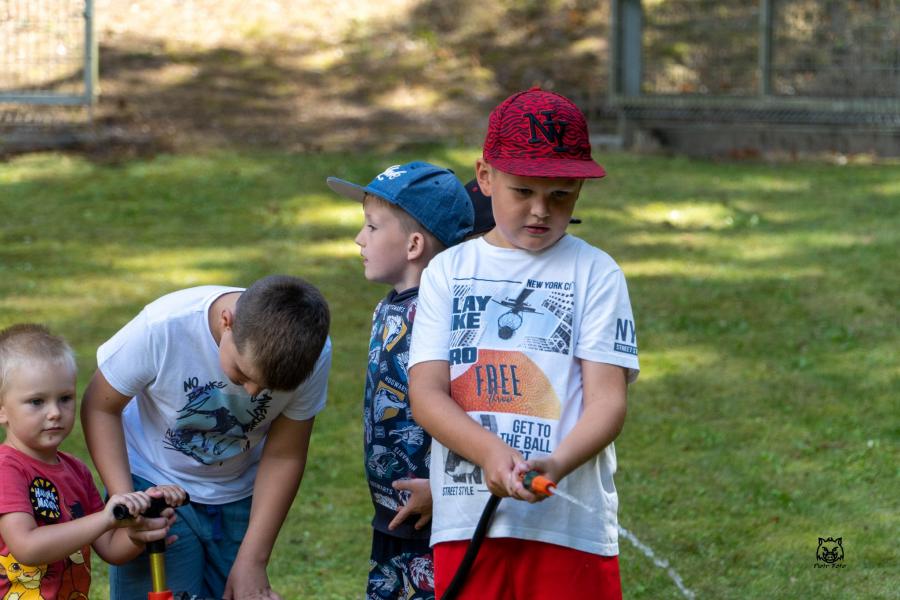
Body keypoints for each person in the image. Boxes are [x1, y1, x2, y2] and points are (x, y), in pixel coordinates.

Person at [408, 88, 640, 600]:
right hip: (468, 521)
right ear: (486, 177)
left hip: (568, 528)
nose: (541, 210)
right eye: (523, 192)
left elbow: (608, 401)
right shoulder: (449, 271)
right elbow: (426, 395)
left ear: (579, 185)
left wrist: (556, 464)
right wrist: (489, 454)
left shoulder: (596, 272)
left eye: (560, 195)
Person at [80, 274, 332, 600]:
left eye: (270, 388)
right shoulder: (163, 327)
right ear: (227, 322)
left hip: (239, 498)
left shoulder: (312, 353)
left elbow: (285, 453)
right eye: (243, 374)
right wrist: (129, 503)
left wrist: (253, 559)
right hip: (154, 485)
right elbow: (100, 407)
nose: (253, 392)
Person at [327, 161, 473, 600]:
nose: (359, 238)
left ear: (413, 244)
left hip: (435, 519)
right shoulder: (388, 307)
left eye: (371, 227)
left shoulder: (443, 317)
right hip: (393, 514)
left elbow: (471, 410)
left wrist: (443, 489)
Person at [0, 324, 183, 600]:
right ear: (2, 411)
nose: (54, 413)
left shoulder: (76, 471)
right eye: (37, 402)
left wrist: (141, 524)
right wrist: (106, 518)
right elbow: (26, 547)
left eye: (65, 399)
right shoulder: (6, 469)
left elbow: (110, 548)